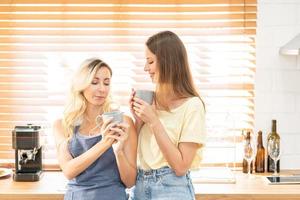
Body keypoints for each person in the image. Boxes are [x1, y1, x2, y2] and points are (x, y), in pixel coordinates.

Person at [130, 31, 206, 200]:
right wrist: (139, 121)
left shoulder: (192, 106)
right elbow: (136, 153)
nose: (145, 68)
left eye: (150, 61)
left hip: (171, 188)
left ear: (167, 62)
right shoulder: (151, 101)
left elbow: (180, 167)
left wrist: (154, 122)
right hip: (140, 186)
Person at [53, 58, 137, 200]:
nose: (102, 89)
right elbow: (68, 171)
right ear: (81, 85)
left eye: (106, 83)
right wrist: (105, 143)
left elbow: (130, 182)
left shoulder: (124, 122)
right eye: (94, 82)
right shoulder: (62, 125)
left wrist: (118, 151)